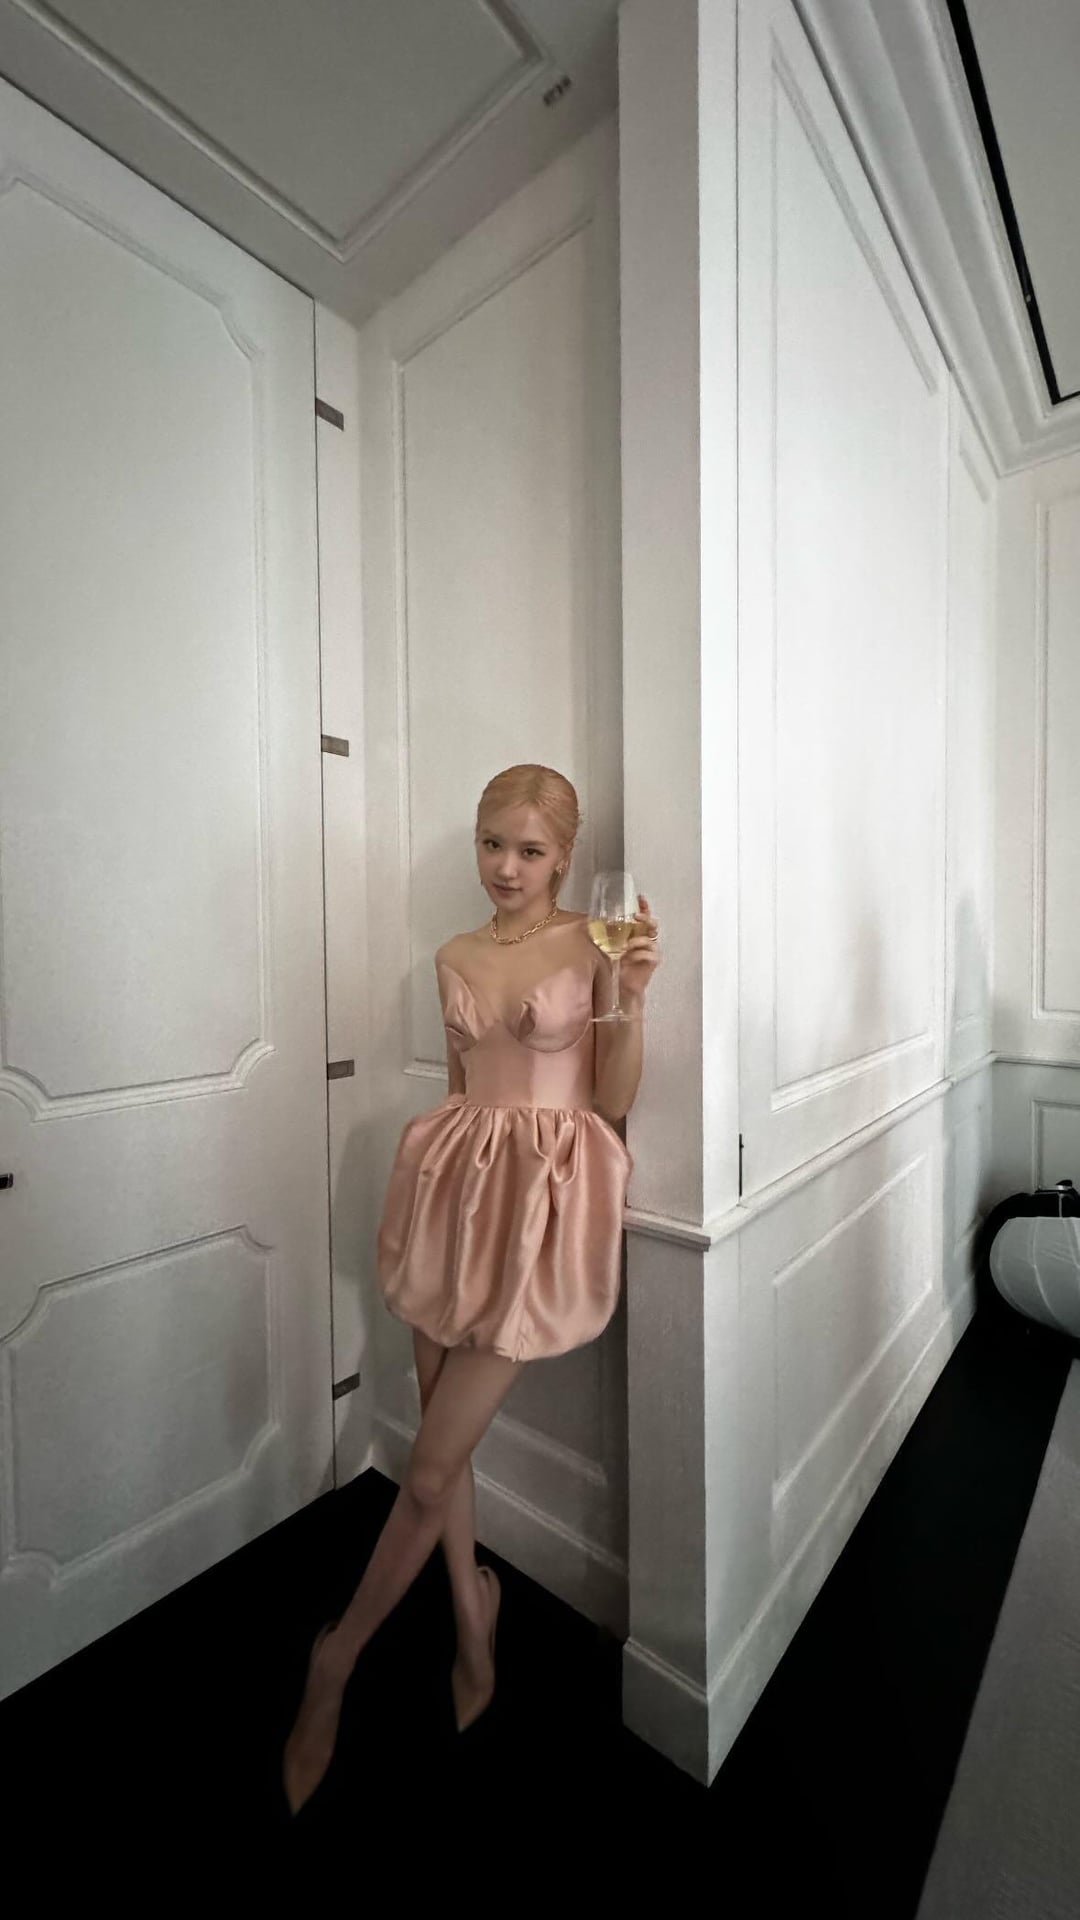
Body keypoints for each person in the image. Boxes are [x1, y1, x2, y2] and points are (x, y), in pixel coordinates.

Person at [282, 764, 660, 1813]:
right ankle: (472, 1610)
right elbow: (461, 1090)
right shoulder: (451, 954)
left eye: (530, 850)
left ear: (565, 857)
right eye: (492, 843)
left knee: (430, 1468)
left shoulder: (596, 943)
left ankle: (334, 1662)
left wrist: (630, 999)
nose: (506, 866)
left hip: (535, 1215)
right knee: (442, 1455)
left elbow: (609, 1102)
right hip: (451, 1191)